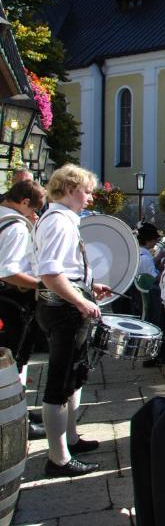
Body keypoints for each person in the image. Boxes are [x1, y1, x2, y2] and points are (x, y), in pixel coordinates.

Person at [34, 164, 112, 477]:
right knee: (60, 383)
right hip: (64, 311)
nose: (90, 197)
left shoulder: (62, 219)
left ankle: (70, 439)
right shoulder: (59, 223)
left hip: (67, 307)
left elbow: (63, 270)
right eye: (87, 190)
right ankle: (58, 459)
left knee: (73, 378)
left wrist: (88, 286)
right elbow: (50, 273)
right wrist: (80, 300)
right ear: (68, 188)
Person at [0, 180, 49, 436]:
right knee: (12, 362)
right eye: (34, 209)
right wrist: (42, 285)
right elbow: (9, 272)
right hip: (10, 302)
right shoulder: (16, 227)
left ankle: (17, 411)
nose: (35, 215)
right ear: (24, 202)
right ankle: (16, 421)